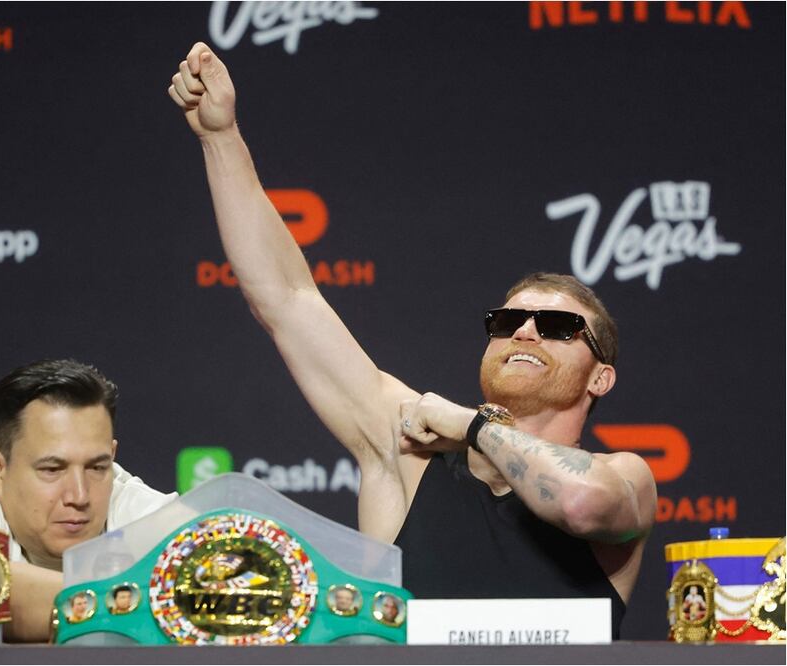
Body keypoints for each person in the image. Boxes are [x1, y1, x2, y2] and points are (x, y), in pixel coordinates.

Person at [167, 42, 656, 637]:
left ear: (600, 375)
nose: (524, 330)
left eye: (557, 327)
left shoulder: (625, 478)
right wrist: (221, 138)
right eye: (506, 321)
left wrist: (471, 425)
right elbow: (287, 301)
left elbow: (578, 505)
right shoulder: (407, 456)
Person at [0, 358, 176, 641]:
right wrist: (144, 604)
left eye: (96, 467)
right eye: (52, 469)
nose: (79, 496)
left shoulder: (133, 502)